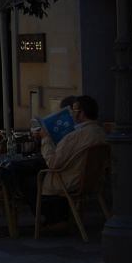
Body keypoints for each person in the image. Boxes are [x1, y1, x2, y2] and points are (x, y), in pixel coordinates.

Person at [34, 95, 108, 228]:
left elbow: (53, 163)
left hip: (70, 181)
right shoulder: (101, 133)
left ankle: (54, 219)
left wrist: (45, 139)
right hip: (93, 181)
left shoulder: (75, 136)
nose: (71, 114)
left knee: (31, 180)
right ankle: (59, 217)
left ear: (81, 113)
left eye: (73, 111)